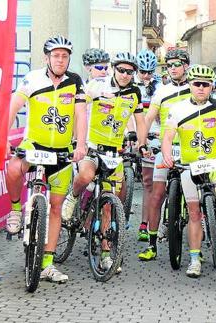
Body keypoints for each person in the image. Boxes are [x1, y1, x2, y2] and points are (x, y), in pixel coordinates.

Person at [5, 36, 87, 283]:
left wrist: (81, 145)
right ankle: (16, 210)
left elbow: (80, 116)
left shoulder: (74, 81)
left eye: (64, 56)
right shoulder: (32, 78)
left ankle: (48, 264)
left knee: (55, 207)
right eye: (56, 55)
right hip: (34, 144)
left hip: (62, 150)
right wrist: (1, 138)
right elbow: (13, 107)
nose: (60, 60)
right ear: (47, 58)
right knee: (13, 169)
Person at [62, 52, 148, 272]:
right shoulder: (96, 86)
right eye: (121, 70)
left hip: (113, 152)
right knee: (86, 176)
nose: (125, 75)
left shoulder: (135, 92)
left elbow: (140, 122)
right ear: (113, 68)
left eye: (130, 72)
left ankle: (106, 255)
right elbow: (78, 111)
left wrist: (142, 144)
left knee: (109, 206)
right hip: (92, 146)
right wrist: (75, 140)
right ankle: (72, 197)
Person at [161, 65, 216, 278]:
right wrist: (168, 155)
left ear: (211, 87)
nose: (200, 88)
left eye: (205, 85)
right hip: (188, 165)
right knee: (194, 213)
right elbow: (168, 137)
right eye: (196, 84)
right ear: (190, 84)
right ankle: (195, 259)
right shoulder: (178, 108)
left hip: (214, 162)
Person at [139, 49, 191, 258]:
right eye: (169, 65)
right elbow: (149, 118)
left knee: (196, 197)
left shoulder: (196, 87)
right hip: (165, 148)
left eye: (176, 64)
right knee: (156, 194)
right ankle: (151, 245)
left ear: (186, 65)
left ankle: (199, 243)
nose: (172, 69)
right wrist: (142, 142)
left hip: (191, 150)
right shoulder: (161, 90)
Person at [134, 49, 161, 239]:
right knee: (147, 182)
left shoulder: (160, 86)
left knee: (153, 183)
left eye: (149, 72)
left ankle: (151, 223)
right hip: (136, 133)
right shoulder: (130, 82)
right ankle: (143, 222)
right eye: (142, 71)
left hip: (155, 136)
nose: (145, 75)